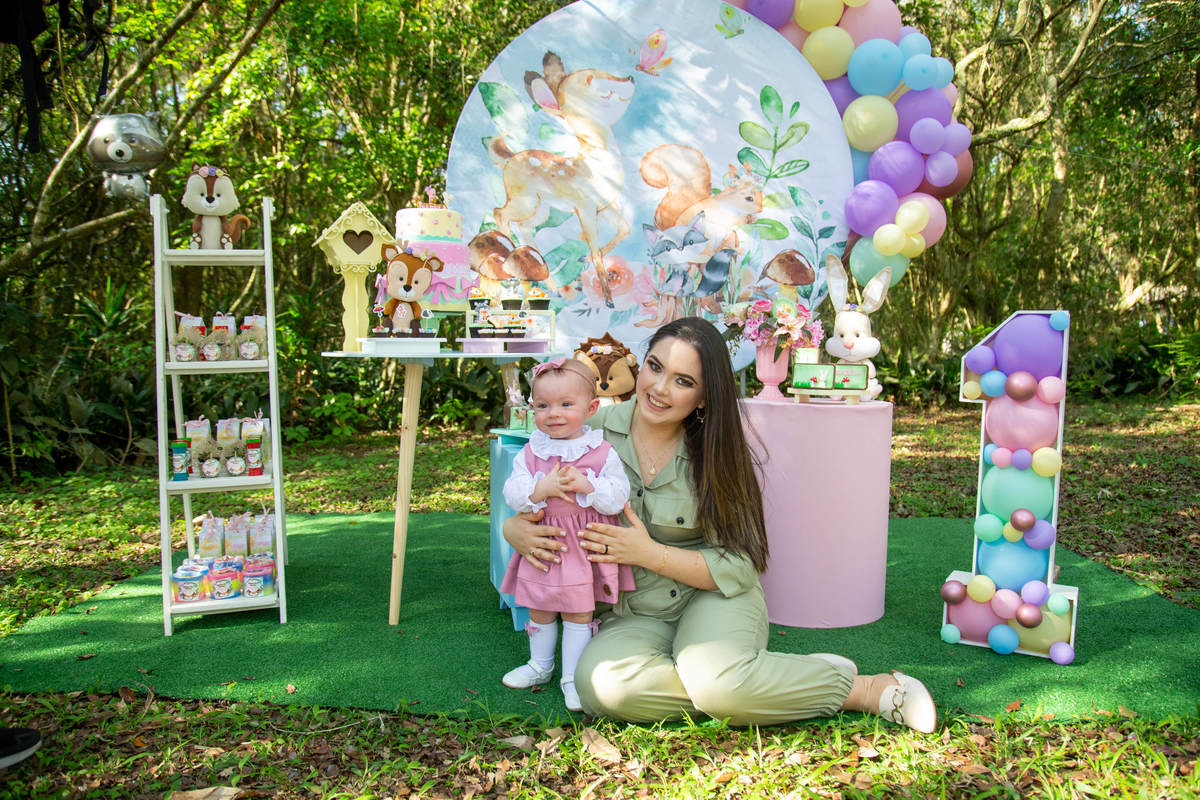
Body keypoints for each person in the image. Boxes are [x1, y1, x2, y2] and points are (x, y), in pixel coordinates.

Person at [503, 317, 936, 731]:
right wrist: (515, 531)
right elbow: (527, 489)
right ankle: (768, 677)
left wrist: (649, 553)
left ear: (705, 397)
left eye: (683, 381)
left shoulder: (717, 451)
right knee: (603, 690)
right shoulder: (584, 429)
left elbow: (743, 564)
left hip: (712, 598)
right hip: (632, 613)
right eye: (655, 367)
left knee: (715, 682)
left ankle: (869, 690)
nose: (659, 388)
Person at [498, 357, 635, 712]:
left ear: (590, 408)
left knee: (578, 612)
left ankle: (572, 676)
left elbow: (619, 495)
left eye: (565, 404)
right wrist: (539, 488)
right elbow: (512, 492)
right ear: (532, 408)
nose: (553, 414)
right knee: (540, 606)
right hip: (543, 543)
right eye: (543, 406)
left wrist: (588, 485)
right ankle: (540, 665)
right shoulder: (532, 451)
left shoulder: (601, 451)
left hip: (581, 544)